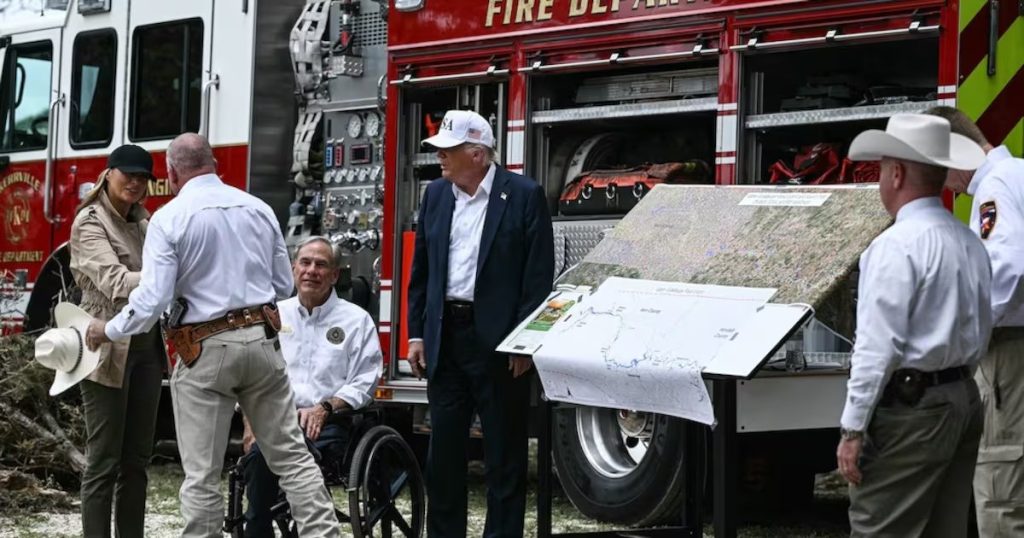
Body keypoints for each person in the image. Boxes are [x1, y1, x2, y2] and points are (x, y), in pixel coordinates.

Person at [83, 133, 340, 538]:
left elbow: (152, 299)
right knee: (291, 458)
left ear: (170, 173)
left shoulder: (169, 218)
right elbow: (282, 285)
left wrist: (109, 329)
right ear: (214, 164)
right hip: (262, 342)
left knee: (202, 474)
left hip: (203, 348)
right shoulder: (258, 209)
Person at [835, 113, 992, 537]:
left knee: (879, 527)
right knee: (947, 525)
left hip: (913, 406)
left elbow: (875, 348)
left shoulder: (895, 247)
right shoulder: (969, 242)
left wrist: (853, 428)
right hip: (962, 396)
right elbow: (982, 327)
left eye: (884, 168)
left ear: (898, 173)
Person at [407, 109, 554, 538]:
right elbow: (422, 271)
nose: (440, 159)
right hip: (446, 338)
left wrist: (525, 343)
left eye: (448, 151)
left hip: (499, 343)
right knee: (444, 457)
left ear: (477, 154)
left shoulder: (523, 195)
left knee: (505, 458)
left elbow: (537, 277)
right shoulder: (436, 194)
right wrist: (417, 334)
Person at [926, 105, 1024, 536]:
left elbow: (1005, 270)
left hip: (1008, 353)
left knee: (1000, 488)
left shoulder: (995, 187)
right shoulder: (1018, 173)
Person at [241, 236, 381, 537]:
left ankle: (263, 528)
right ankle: (259, 527)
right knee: (263, 454)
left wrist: (326, 407)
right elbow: (250, 376)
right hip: (275, 420)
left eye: (321, 265)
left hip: (329, 423)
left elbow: (365, 380)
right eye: (305, 263)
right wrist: (250, 422)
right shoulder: (273, 316)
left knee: (271, 455)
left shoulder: (357, 321)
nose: (311, 271)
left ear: (335, 275)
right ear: (293, 269)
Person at [68, 145, 167, 538]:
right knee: (103, 460)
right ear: (108, 174)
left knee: (137, 461)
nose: (136, 182)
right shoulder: (88, 223)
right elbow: (116, 283)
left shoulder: (145, 224)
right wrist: (166, 274)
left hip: (146, 348)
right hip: (104, 348)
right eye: (128, 174)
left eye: (143, 177)